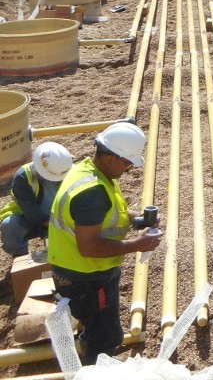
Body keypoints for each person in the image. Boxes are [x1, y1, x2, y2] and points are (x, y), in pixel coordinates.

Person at [47, 121, 161, 365]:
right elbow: (89, 247)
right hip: (85, 277)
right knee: (106, 338)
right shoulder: (92, 193)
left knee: (97, 327)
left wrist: (137, 219)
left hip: (79, 271)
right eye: (127, 162)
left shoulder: (88, 170)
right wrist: (136, 244)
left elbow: (106, 215)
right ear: (111, 158)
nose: (130, 168)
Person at [0, 142, 74, 257]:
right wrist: (54, 227)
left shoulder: (72, 171)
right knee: (10, 226)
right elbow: (32, 212)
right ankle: (20, 260)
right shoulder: (24, 176)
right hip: (33, 219)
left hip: (66, 218)